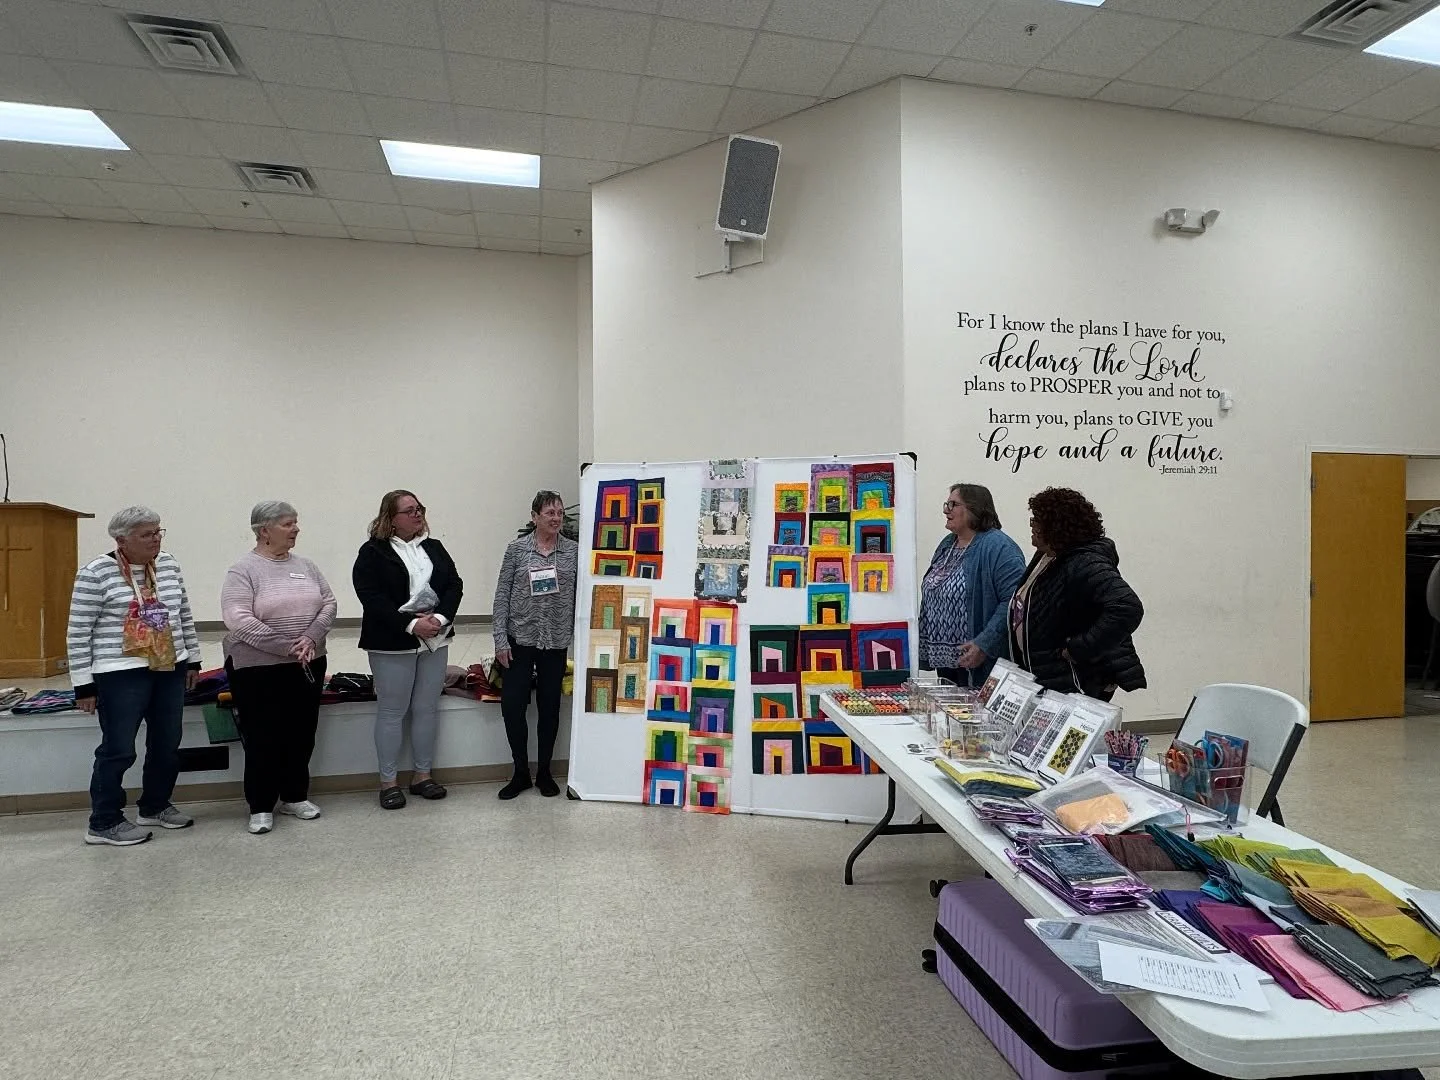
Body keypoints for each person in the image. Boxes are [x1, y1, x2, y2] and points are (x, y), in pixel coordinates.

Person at [66, 506, 201, 846]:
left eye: (158, 532)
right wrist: (83, 684)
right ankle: (104, 821)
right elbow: (78, 631)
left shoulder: (168, 564)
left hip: (169, 666)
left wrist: (193, 660)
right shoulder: (96, 573)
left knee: (167, 744)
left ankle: (154, 806)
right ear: (121, 539)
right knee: (118, 749)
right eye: (147, 534)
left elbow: (182, 612)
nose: (156, 539)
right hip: (120, 673)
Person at [220, 501, 337, 836]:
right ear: (264, 531)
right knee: (263, 737)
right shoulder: (243, 570)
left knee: (301, 733)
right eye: (288, 524)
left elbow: (329, 603)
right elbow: (238, 619)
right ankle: (260, 805)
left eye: (296, 523)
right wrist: (288, 646)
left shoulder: (307, 565)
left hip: (307, 663)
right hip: (258, 669)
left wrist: (311, 637)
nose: (296, 529)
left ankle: (295, 796)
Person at [352, 490, 463, 809]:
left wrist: (440, 618)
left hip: (435, 638)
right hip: (392, 641)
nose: (418, 515)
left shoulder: (434, 547)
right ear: (391, 518)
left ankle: (422, 776)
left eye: (420, 509)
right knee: (392, 711)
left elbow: (454, 585)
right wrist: (411, 625)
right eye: (409, 510)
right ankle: (388, 782)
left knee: (427, 708)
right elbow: (370, 596)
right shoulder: (373, 552)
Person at [1009, 487, 1146, 701]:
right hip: (1050, 675)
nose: (1031, 525)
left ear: (1056, 526)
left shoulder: (1085, 562)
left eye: (1037, 520)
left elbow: (1127, 607)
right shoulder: (1048, 556)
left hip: (1078, 680)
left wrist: (1078, 648)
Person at [492, 490, 578, 799]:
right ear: (534, 517)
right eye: (549, 513)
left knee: (549, 707)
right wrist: (500, 638)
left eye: (559, 513)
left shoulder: (573, 552)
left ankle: (544, 772)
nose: (556, 518)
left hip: (555, 642)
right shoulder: (516, 550)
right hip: (520, 640)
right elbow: (502, 594)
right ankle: (520, 773)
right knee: (512, 706)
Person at [919, 483, 1025, 688]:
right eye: (946, 504)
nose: (945, 510)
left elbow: (1013, 601)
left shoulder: (1000, 547)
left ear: (974, 509)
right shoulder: (947, 544)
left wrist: (984, 644)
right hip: (947, 663)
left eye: (953, 504)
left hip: (980, 662)